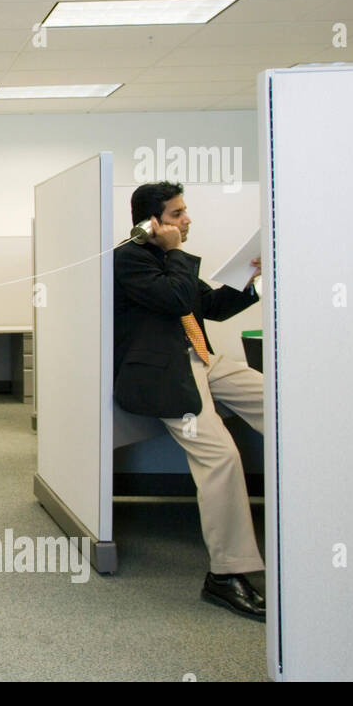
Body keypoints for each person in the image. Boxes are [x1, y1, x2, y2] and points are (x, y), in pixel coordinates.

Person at [114, 181, 266, 621]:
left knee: (283, 407)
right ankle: (226, 574)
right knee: (221, 457)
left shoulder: (167, 259)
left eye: (185, 212)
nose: (187, 220)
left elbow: (209, 306)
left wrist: (247, 280)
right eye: (178, 213)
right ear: (151, 223)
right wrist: (177, 250)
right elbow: (175, 297)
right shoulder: (129, 260)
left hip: (200, 359)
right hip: (164, 373)